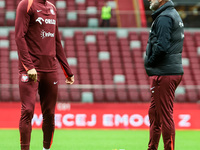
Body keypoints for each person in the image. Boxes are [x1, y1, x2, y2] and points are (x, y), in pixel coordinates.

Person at [15, 0, 74, 150]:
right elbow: (19, 36)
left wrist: (67, 71)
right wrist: (29, 67)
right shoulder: (26, 5)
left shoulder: (52, 8)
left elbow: (57, 41)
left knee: (49, 113)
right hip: (30, 70)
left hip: (50, 69)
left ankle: (46, 149)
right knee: (27, 110)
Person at [144, 0, 184, 150]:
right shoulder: (171, 15)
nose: (149, 0)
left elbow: (162, 46)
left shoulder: (164, 17)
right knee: (154, 114)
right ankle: (152, 147)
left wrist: (151, 63)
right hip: (167, 70)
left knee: (165, 116)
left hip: (165, 72)